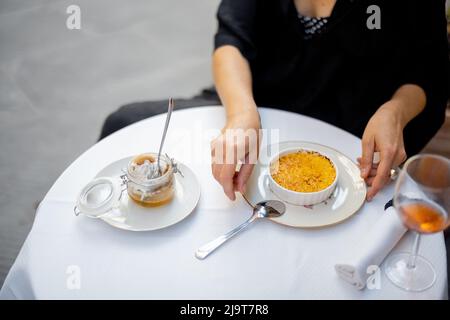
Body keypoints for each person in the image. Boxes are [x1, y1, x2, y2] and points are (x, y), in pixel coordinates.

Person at [100, 0, 448, 202]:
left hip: (347, 132)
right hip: (256, 109)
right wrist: (240, 115)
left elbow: (429, 72)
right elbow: (231, 41)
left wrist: (395, 111)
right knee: (122, 123)